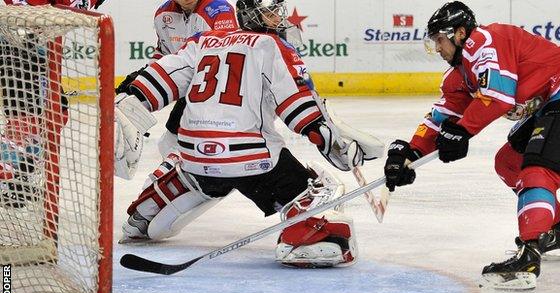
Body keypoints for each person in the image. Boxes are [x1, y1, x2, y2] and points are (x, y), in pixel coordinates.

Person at [116, 0, 384, 268]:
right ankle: (306, 236)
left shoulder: (200, 41)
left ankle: (147, 212)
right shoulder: (272, 46)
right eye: (269, 13)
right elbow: (297, 105)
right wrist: (329, 140)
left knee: (194, 168)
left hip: (196, 158)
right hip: (253, 162)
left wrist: (125, 104)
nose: (277, 18)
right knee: (323, 187)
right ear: (250, 15)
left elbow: (158, 81)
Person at [384, 1, 560, 289]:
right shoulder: (460, 72)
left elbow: (498, 97)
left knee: (536, 169)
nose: (438, 49)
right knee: (509, 162)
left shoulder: (484, 41)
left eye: (440, 40)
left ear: (460, 33)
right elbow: (443, 115)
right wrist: (412, 151)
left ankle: (529, 256)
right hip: (555, 100)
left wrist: (462, 131)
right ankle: (559, 231)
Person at [0, 0, 106, 207]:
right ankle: (12, 179)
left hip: (31, 53)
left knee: (54, 115)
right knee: (37, 120)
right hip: (20, 52)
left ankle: (18, 178)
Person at [115, 0, 239, 160]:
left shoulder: (218, 9)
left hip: (216, 93)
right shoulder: (163, 15)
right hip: (190, 90)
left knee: (178, 146)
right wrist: (145, 74)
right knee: (168, 144)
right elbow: (164, 54)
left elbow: (229, 59)